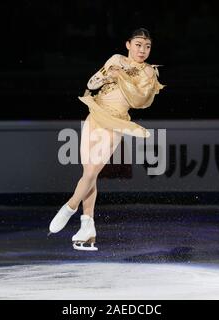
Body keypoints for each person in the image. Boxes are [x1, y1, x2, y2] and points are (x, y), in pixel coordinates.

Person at [48, 28, 165, 251]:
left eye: (147, 46)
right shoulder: (115, 59)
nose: (143, 50)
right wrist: (103, 77)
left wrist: (119, 76)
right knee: (88, 174)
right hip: (95, 114)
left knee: (92, 172)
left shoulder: (149, 72)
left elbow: (139, 99)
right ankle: (87, 225)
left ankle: (69, 207)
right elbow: (92, 84)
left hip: (116, 121)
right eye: (138, 44)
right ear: (128, 44)